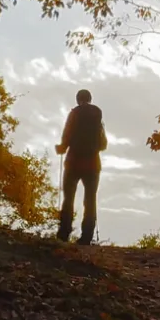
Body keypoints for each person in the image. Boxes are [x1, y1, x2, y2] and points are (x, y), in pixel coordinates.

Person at [55, 88, 107, 244]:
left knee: (68, 198)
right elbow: (103, 143)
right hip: (93, 164)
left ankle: (64, 233)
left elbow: (67, 133)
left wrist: (62, 148)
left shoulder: (75, 113)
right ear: (90, 99)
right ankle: (86, 237)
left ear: (78, 99)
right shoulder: (98, 117)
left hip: (74, 162)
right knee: (90, 200)